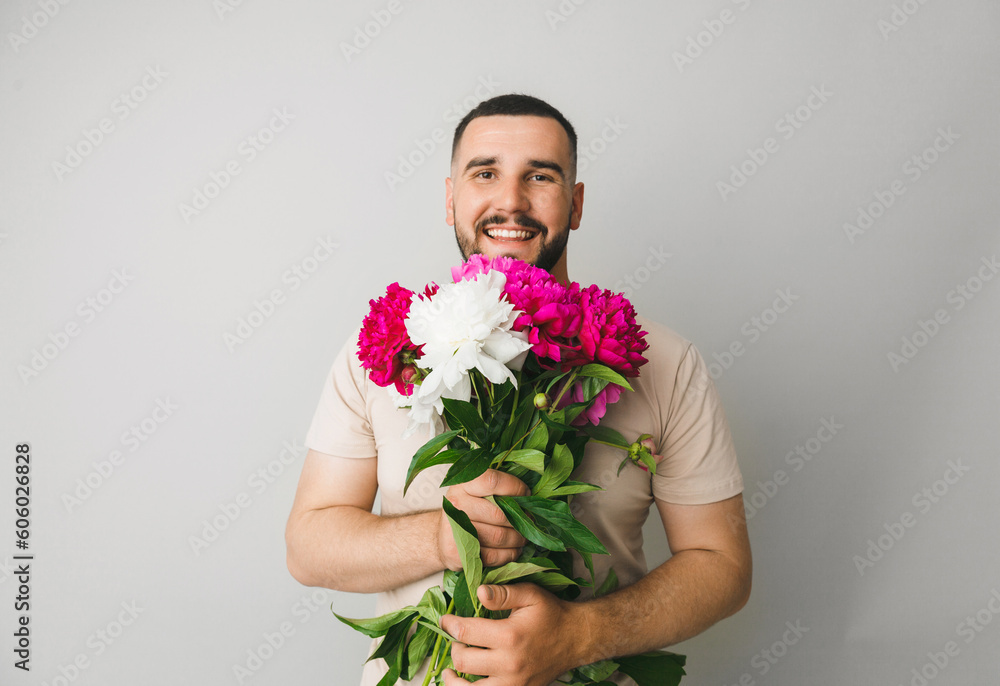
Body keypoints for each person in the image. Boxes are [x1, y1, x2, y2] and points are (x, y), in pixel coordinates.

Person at [285, 93, 751, 686]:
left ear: (575, 203)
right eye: (486, 174)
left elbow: (722, 565)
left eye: (540, 176)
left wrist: (576, 638)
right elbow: (309, 546)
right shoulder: (382, 351)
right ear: (451, 197)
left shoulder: (665, 361)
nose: (511, 201)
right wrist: (442, 536)